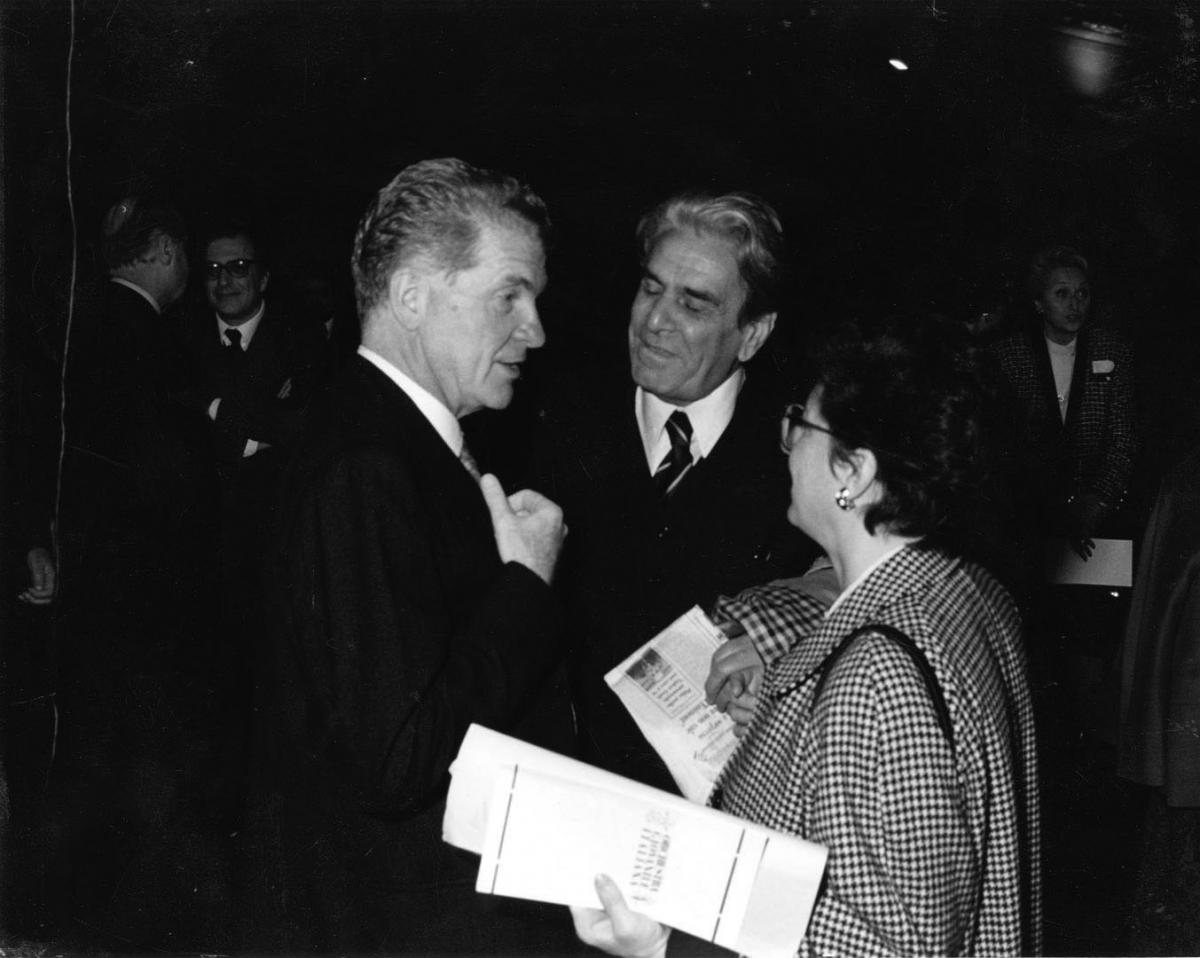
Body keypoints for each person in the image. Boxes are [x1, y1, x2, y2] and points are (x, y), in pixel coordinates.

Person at [573, 314, 1041, 957]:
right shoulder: (966, 591)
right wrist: (790, 719)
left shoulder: (875, 679)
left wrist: (662, 946)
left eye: (803, 425)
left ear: (852, 472)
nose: (787, 441)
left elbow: (887, 948)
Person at [244, 157, 574, 954]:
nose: (535, 329)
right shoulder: (368, 463)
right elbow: (397, 754)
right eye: (509, 295)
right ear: (411, 295)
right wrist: (526, 585)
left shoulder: (390, 442)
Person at [534, 191, 815, 793]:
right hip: (567, 797)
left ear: (753, 335)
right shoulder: (551, 422)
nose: (655, 320)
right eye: (651, 288)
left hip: (733, 805)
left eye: (694, 303)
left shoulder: (805, 452)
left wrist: (786, 640)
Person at [50, 195, 219, 947]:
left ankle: (81, 905)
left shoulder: (86, 328)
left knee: (101, 746)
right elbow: (161, 477)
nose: (188, 271)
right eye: (183, 255)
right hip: (148, 584)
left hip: (96, 577)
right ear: (158, 255)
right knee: (143, 755)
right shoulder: (146, 339)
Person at [989, 245, 1137, 561]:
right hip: (1027, 516)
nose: (1075, 304)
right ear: (1039, 303)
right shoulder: (1009, 357)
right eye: (1062, 293)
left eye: (1083, 294)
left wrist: (1095, 502)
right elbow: (1004, 446)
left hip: (1099, 519)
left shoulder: (1112, 350)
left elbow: (1123, 441)